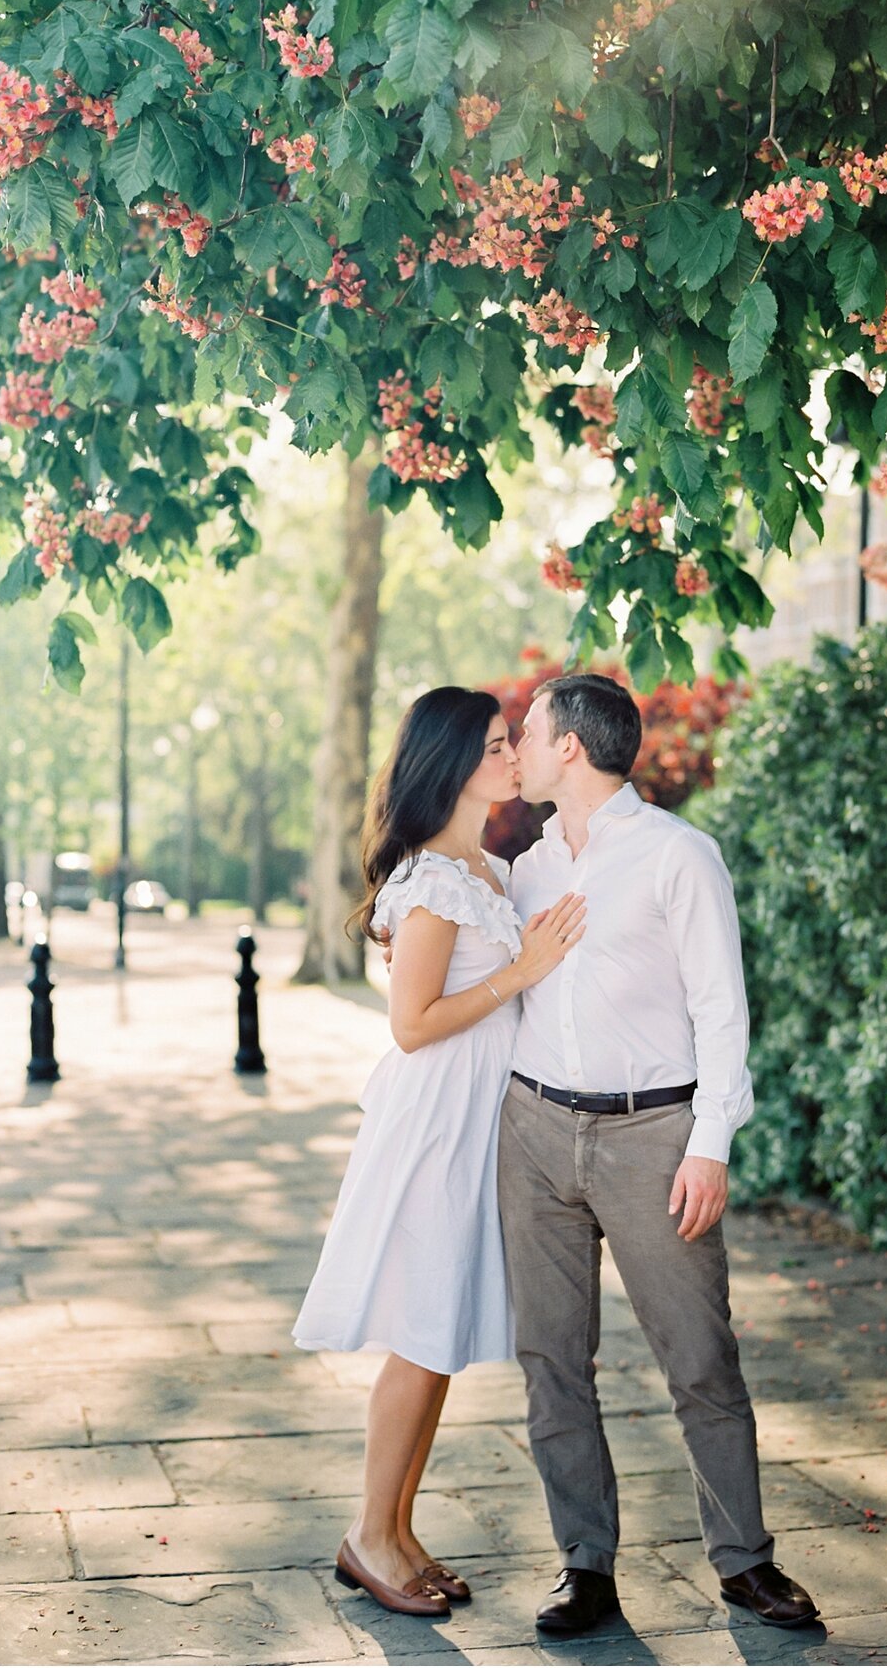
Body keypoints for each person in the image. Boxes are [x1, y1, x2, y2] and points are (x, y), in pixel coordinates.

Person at [499, 672, 819, 1634]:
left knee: (699, 1359)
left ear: (570, 748)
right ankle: (584, 1567)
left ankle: (744, 1564)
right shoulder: (529, 866)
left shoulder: (682, 857)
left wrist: (709, 1144)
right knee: (551, 1358)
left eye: (527, 729)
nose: (514, 744)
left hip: (654, 1136)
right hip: (535, 1133)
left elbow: (723, 1010)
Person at [294, 686, 586, 1618]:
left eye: (512, 743)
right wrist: (521, 972)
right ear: (456, 764)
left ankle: (398, 1528)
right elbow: (412, 1025)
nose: (513, 758)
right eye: (498, 746)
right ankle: (369, 1537)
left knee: (439, 1339)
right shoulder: (431, 880)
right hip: (432, 1127)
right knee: (418, 1339)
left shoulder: (488, 870)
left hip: (477, 1124)